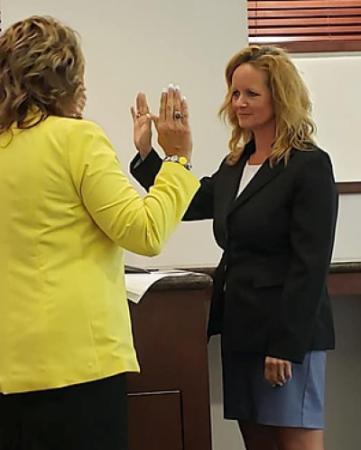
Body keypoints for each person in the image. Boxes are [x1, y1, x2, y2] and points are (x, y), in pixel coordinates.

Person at [0, 15, 199, 450]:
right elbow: (144, 231)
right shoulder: (77, 140)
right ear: (65, 76)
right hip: (76, 367)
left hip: (9, 368)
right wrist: (177, 160)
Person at [130, 45, 338, 450]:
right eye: (235, 93)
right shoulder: (235, 165)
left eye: (251, 94)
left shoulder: (309, 165)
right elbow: (188, 202)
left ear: (280, 97)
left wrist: (286, 344)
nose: (239, 103)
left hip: (287, 333)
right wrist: (147, 154)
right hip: (242, 327)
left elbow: (310, 264)